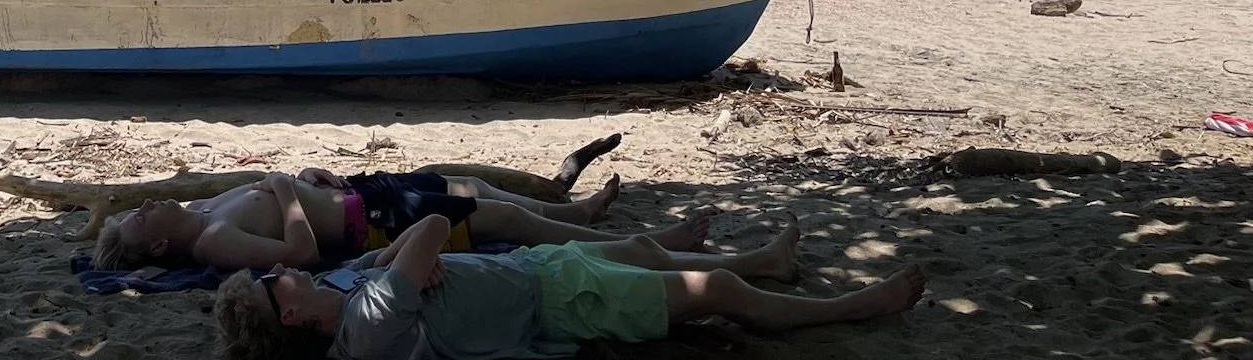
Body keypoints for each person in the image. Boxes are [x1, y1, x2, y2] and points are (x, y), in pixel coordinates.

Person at [216, 211, 924, 360]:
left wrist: (395, 258)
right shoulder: (365, 324)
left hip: (540, 273)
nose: (283, 269)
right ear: (297, 322)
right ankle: (855, 307)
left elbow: (414, 247)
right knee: (715, 295)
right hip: (561, 299)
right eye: (276, 284)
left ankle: (767, 260)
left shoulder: (354, 304)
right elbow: (433, 223)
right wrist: (405, 256)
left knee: (645, 248)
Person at [94, 152, 673, 273]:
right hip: (371, 224)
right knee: (505, 224)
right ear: (162, 248)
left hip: (361, 192)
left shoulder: (201, 208)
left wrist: (305, 180)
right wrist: (291, 195)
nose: (145, 203)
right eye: (141, 218)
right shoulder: (213, 241)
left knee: (468, 183)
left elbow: (278, 195)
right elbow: (302, 253)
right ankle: (597, 234)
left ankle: (575, 214)